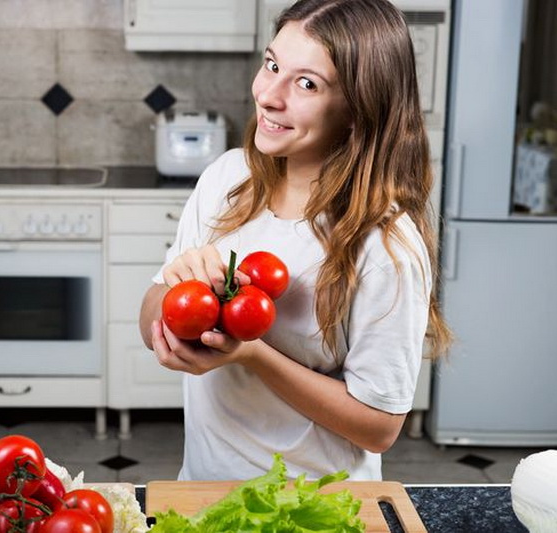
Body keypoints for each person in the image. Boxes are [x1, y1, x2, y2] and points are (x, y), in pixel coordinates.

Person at [138, 0, 453, 482]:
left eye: (306, 83)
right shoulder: (226, 178)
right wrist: (169, 316)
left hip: (318, 508)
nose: (268, 95)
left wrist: (253, 353)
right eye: (271, 65)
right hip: (203, 491)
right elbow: (151, 312)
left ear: (357, 109)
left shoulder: (385, 244)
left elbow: (379, 427)